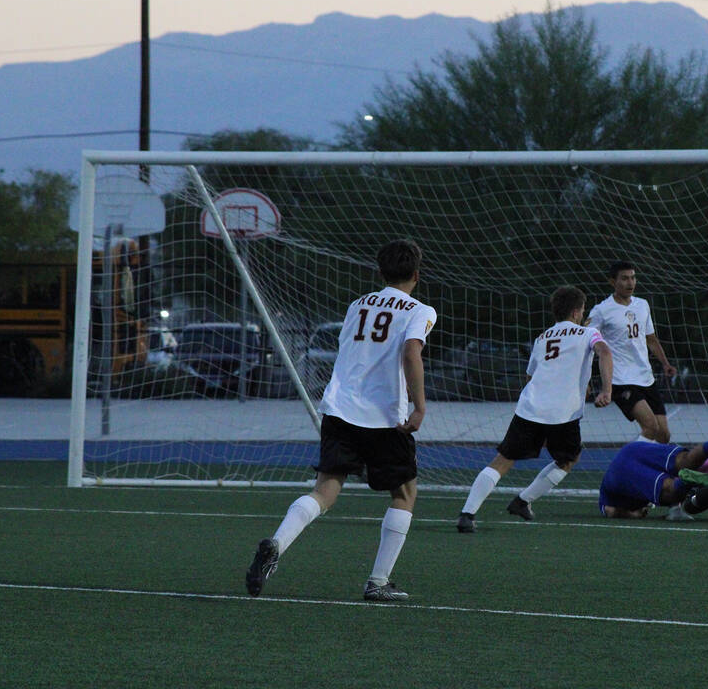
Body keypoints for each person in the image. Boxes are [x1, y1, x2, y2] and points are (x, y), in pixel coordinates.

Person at [245, 239, 437, 602]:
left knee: (325, 489)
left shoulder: (357, 304)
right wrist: (419, 406)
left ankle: (277, 544)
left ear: (379, 273)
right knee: (404, 493)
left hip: (339, 410)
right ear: (416, 274)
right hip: (384, 418)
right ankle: (377, 582)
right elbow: (412, 352)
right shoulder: (420, 309)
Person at [457, 286, 613, 532]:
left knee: (503, 460)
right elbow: (605, 352)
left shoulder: (542, 338)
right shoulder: (589, 333)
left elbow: (531, 377)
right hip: (563, 413)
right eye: (583, 310)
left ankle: (467, 514)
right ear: (575, 312)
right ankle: (522, 501)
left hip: (530, 408)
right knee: (568, 459)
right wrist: (607, 390)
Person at [586, 261, 678, 443]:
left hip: (645, 377)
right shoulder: (601, 311)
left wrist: (665, 363)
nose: (630, 283)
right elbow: (585, 344)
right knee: (650, 427)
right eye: (625, 278)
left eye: (633, 278)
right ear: (613, 282)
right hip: (620, 379)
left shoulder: (642, 305)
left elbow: (651, 339)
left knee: (664, 435)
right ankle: (627, 466)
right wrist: (586, 379)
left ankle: (649, 470)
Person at [597, 431, 708, 518]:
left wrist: (633, 514)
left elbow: (610, 511)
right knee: (684, 460)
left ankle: (685, 482)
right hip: (632, 449)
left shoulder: (608, 497)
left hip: (621, 472)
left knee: (669, 490)